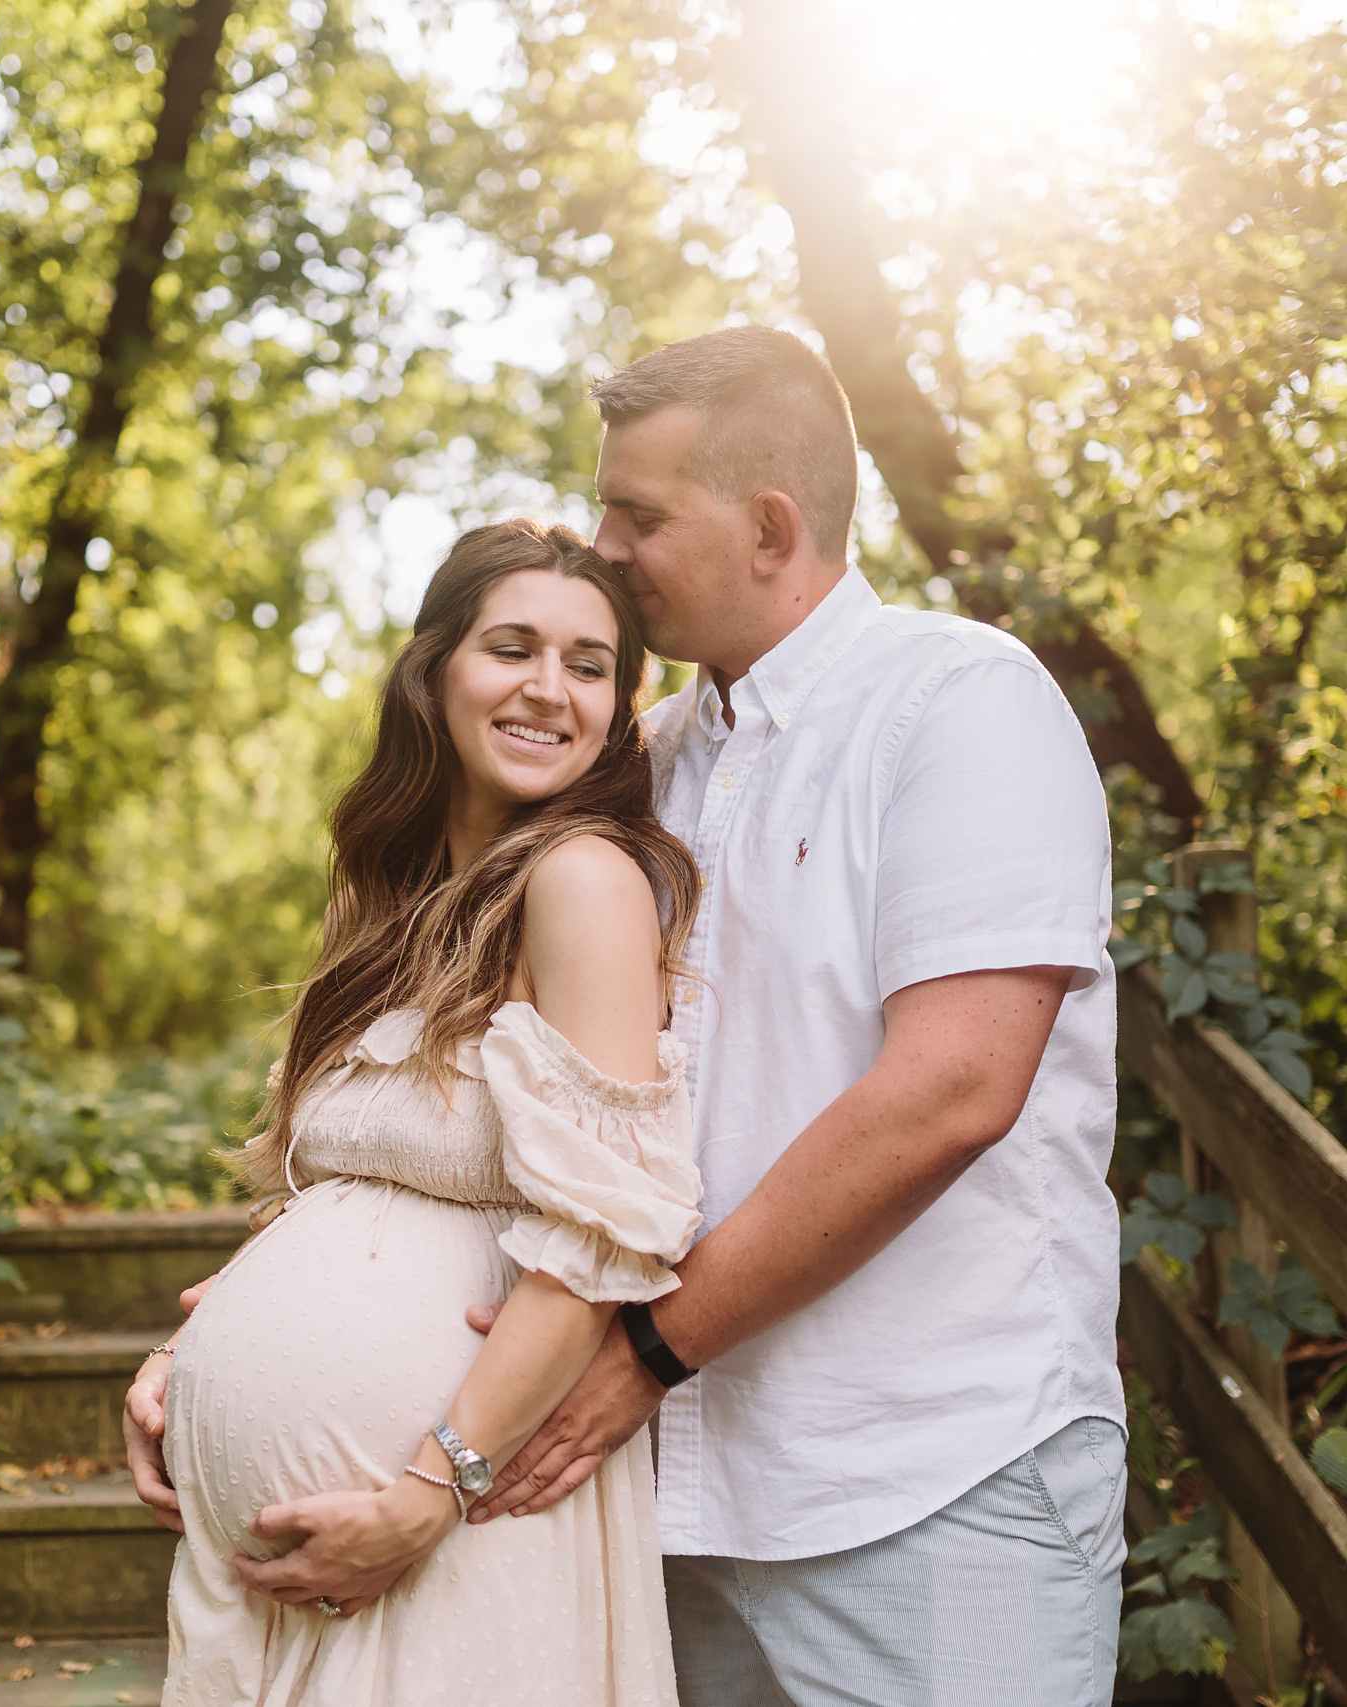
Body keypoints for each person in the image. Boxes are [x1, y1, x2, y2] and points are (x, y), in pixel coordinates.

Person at [135, 325, 1127, 1705]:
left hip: (920, 1466)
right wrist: (242, 1316)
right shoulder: (637, 766)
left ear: (771, 523)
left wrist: (646, 1347)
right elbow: (477, 1116)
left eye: (637, 513)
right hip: (662, 1492)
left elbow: (953, 1088)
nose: (608, 540)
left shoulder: (959, 706)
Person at [141, 518, 706, 1705]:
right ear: (434, 668)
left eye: (589, 665)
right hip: (292, 1565)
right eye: (511, 648)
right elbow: (322, 1206)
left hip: (459, 1528)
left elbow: (599, 1244)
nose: (548, 690)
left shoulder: (582, 881)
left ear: (618, 705)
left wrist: (423, 1498)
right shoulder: (397, 898)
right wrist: (177, 1363)